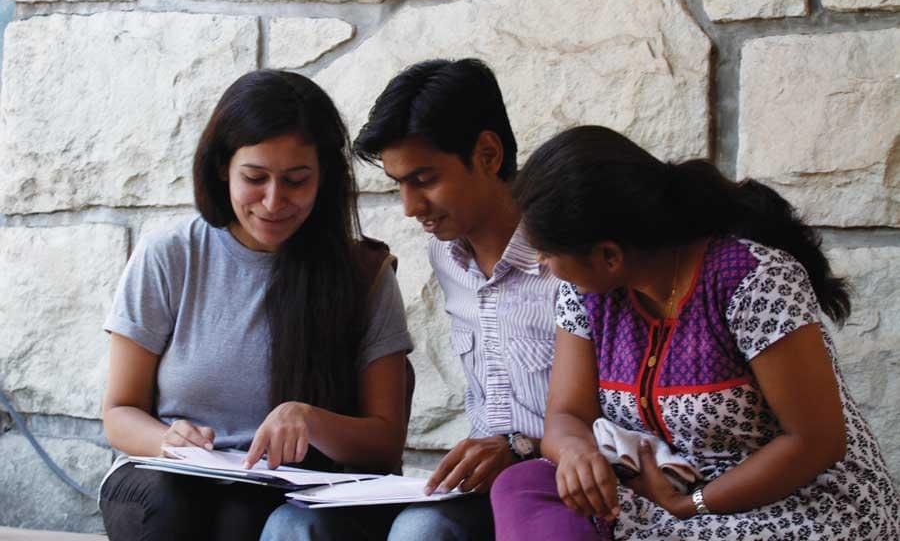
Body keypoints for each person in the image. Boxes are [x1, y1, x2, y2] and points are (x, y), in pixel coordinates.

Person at [490, 125, 900, 540]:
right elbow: (567, 415)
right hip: (667, 491)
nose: (541, 264)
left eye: (547, 253)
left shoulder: (752, 280)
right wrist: (576, 452)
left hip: (796, 504)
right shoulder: (586, 296)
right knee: (524, 485)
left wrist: (694, 503)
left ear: (609, 255)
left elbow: (814, 443)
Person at [98, 69, 413, 541]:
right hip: (166, 478)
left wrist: (310, 420)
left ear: (324, 178)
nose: (272, 201)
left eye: (296, 181)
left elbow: (384, 444)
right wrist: (168, 441)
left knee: (247, 517)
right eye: (254, 178)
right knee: (175, 504)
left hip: (286, 488)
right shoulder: (170, 255)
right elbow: (119, 412)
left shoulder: (362, 275)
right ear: (222, 168)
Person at [262, 58, 560, 540]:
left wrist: (521, 448)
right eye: (398, 184)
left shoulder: (566, 259)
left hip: (560, 486)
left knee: (421, 531)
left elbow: (623, 411)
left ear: (488, 154)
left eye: (424, 180)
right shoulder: (446, 255)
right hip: (480, 493)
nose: (409, 207)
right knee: (298, 523)